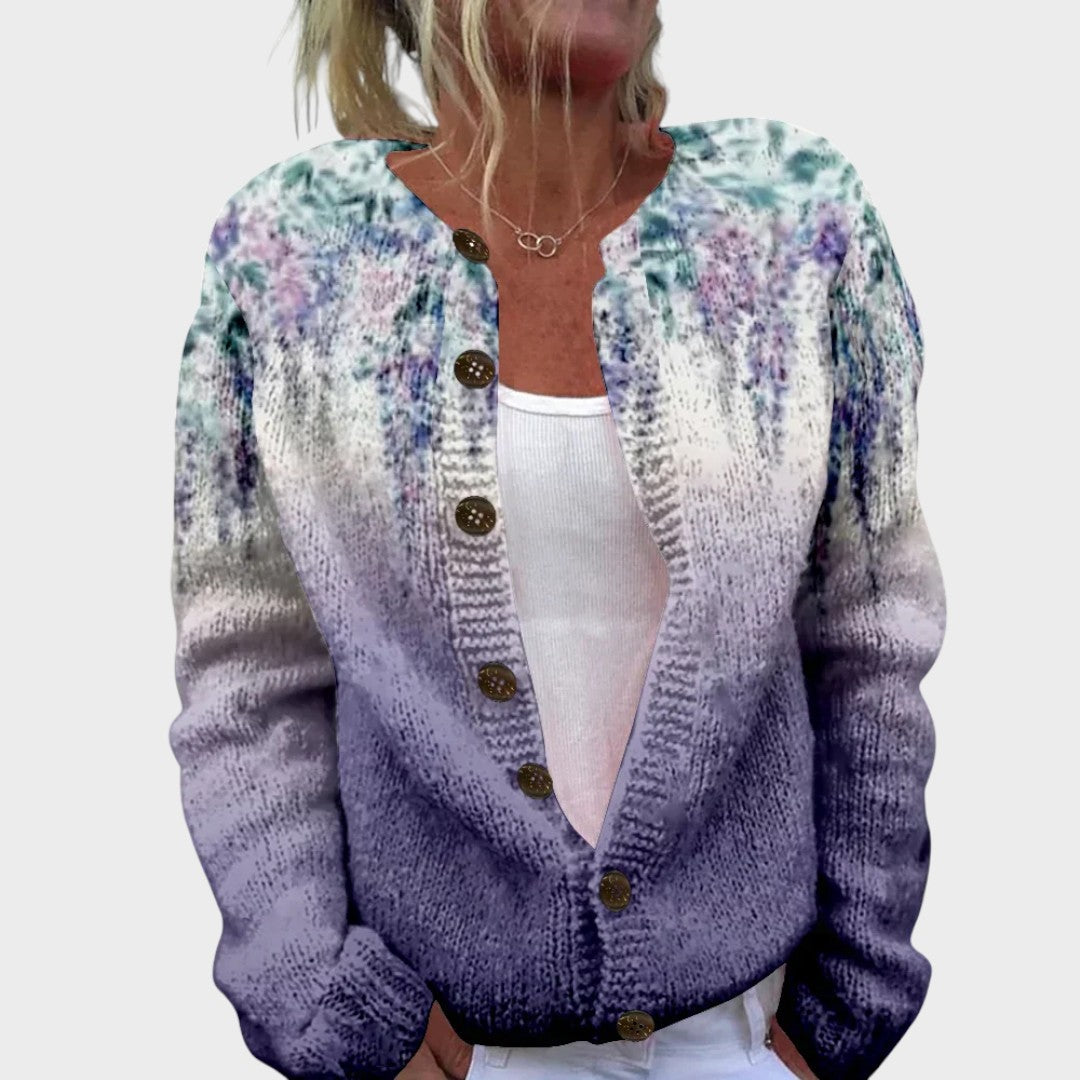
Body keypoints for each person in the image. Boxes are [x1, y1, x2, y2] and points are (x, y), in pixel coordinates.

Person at [168, 2, 946, 1079]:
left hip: (747, 1043)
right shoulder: (293, 254)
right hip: (437, 1051)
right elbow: (249, 680)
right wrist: (326, 1007)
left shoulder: (792, 220)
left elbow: (872, 638)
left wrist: (844, 1010)